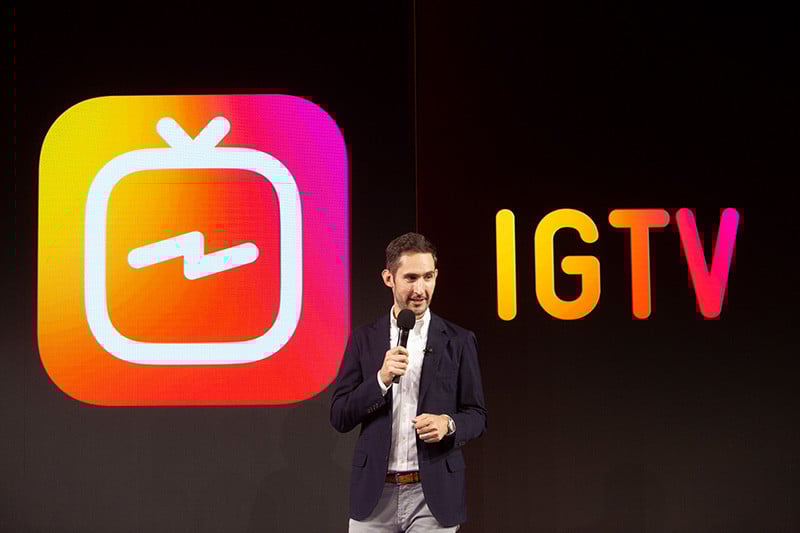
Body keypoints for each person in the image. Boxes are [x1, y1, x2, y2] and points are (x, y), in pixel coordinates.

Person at [330, 232, 488, 531]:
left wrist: (448, 424)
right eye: (411, 278)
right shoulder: (365, 339)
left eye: (428, 277)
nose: (420, 289)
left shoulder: (459, 340)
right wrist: (380, 380)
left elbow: (478, 416)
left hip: (434, 495)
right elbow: (339, 415)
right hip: (375, 495)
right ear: (389, 278)